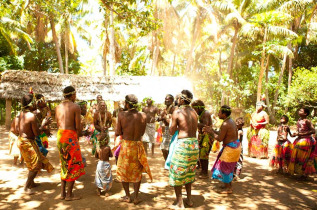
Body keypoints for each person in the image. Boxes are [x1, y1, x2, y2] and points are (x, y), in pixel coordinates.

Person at [116, 94, 152, 205]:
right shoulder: (143, 115)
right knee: (137, 171)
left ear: (127, 104)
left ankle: (127, 196)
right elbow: (142, 132)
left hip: (127, 146)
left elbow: (118, 132)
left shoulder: (121, 115)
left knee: (124, 171)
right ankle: (136, 197)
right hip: (138, 146)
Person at [168, 90, 199, 209]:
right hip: (193, 144)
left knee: (177, 171)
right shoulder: (194, 112)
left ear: (181, 99)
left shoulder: (177, 111)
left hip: (183, 144)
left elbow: (171, 131)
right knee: (189, 171)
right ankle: (189, 199)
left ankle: (180, 201)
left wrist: (171, 120)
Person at [18, 94, 54, 195]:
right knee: (35, 164)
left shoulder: (22, 114)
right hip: (27, 142)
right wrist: (43, 124)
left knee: (36, 160)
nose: (36, 104)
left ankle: (32, 183)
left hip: (24, 140)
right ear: (30, 105)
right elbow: (37, 133)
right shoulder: (31, 116)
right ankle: (25, 188)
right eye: (34, 102)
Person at [55, 86, 85, 201]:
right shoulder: (75, 107)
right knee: (72, 163)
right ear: (72, 95)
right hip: (70, 136)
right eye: (75, 94)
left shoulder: (58, 107)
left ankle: (62, 193)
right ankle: (69, 195)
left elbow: (58, 123)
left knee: (64, 163)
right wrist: (80, 132)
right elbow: (77, 127)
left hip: (61, 135)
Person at [203, 105, 241, 194]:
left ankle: (228, 188)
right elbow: (222, 133)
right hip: (234, 146)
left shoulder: (225, 123)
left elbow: (220, 138)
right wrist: (212, 130)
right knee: (228, 166)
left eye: (219, 112)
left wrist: (211, 132)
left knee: (224, 167)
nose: (218, 114)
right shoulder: (229, 121)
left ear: (224, 114)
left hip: (231, 148)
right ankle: (227, 185)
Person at [288, 107, 316, 179]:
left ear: (305, 113)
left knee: (304, 157)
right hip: (299, 139)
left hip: (306, 141)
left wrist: (302, 134)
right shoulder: (299, 120)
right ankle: (298, 172)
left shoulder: (307, 121)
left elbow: (313, 131)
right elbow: (298, 130)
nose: (299, 111)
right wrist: (295, 133)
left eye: (301, 110)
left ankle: (303, 173)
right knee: (297, 156)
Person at [191, 100, 213, 179]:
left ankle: (205, 173)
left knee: (204, 154)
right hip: (202, 136)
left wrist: (194, 123)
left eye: (195, 109)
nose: (194, 111)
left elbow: (205, 125)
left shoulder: (205, 113)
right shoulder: (201, 114)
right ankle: (203, 170)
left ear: (199, 108)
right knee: (201, 154)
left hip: (207, 136)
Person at [95, 132, 113, 197]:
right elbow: (111, 155)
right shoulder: (108, 148)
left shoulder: (98, 148)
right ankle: (106, 192)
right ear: (106, 141)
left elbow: (96, 156)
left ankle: (99, 191)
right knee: (107, 177)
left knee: (99, 177)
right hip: (106, 164)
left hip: (99, 164)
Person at [159, 94, 176, 161]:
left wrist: (165, 117)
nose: (166, 100)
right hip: (166, 130)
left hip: (171, 130)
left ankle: (170, 163)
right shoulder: (165, 109)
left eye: (168, 99)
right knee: (163, 148)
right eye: (165, 99)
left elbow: (172, 121)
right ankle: (167, 162)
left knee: (169, 148)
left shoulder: (174, 109)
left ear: (172, 100)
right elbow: (161, 118)